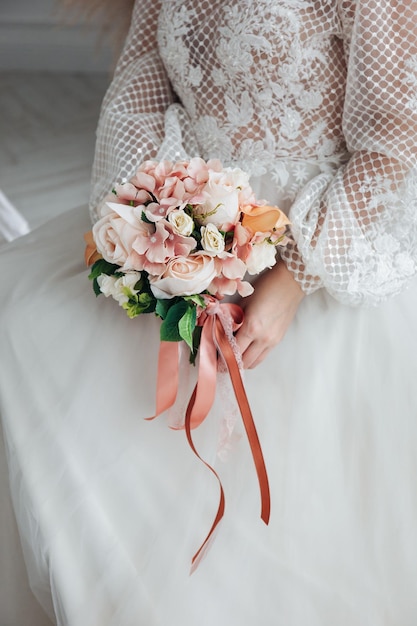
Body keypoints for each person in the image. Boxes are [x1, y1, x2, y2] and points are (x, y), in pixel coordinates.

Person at [1, 1, 417, 624]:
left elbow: (398, 140)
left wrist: (295, 278)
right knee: (27, 324)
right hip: (180, 243)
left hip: (315, 257)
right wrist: (149, 235)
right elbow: (139, 89)